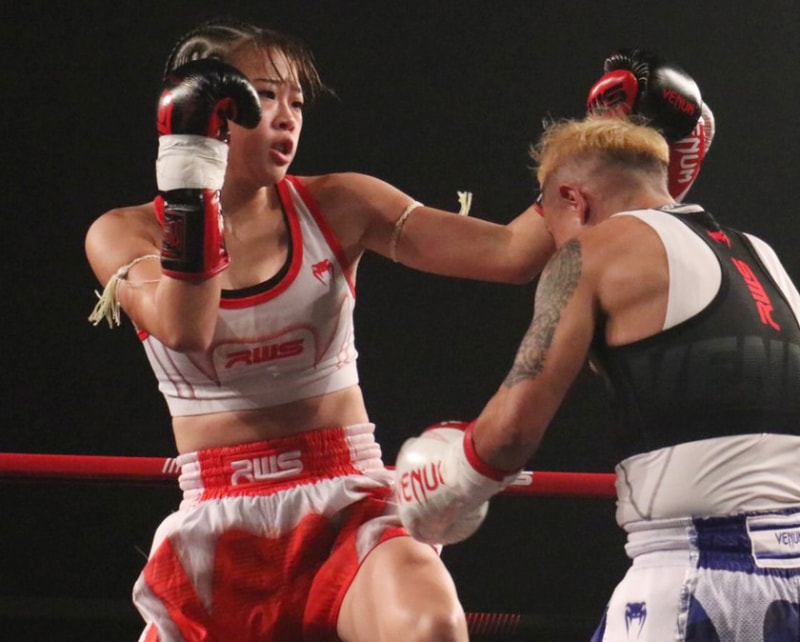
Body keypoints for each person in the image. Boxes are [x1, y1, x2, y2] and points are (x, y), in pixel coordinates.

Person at [84, 17, 557, 642]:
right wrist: (191, 171)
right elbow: (185, 325)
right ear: (206, 109)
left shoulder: (340, 204)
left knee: (430, 627)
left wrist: (606, 155)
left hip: (349, 504)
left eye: (297, 101)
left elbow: (511, 254)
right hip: (220, 524)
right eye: (263, 95)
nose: (287, 117)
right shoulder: (123, 233)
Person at [395, 113, 800, 640]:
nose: (553, 243)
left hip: (694, 577)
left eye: (549, 225)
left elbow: (510, 434)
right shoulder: (763, 258)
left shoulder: (593, 251)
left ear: (573, 200)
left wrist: (445, 484)